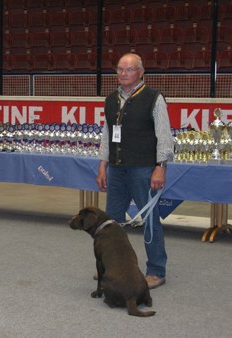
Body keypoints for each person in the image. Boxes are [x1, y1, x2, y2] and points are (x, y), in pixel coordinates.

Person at [96, 53, 174, 289]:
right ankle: (112, 267)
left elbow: (164, 136)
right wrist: (102, 165)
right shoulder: (111, 99)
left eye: (129, 70)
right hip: (117, 171)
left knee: (150, 221)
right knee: (112, 223)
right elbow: (107, 135)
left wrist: (160, 168)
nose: (123, 74)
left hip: (144, 169)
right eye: (120, 69)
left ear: (141, 72)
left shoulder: (154, 98)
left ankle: (157, 270)